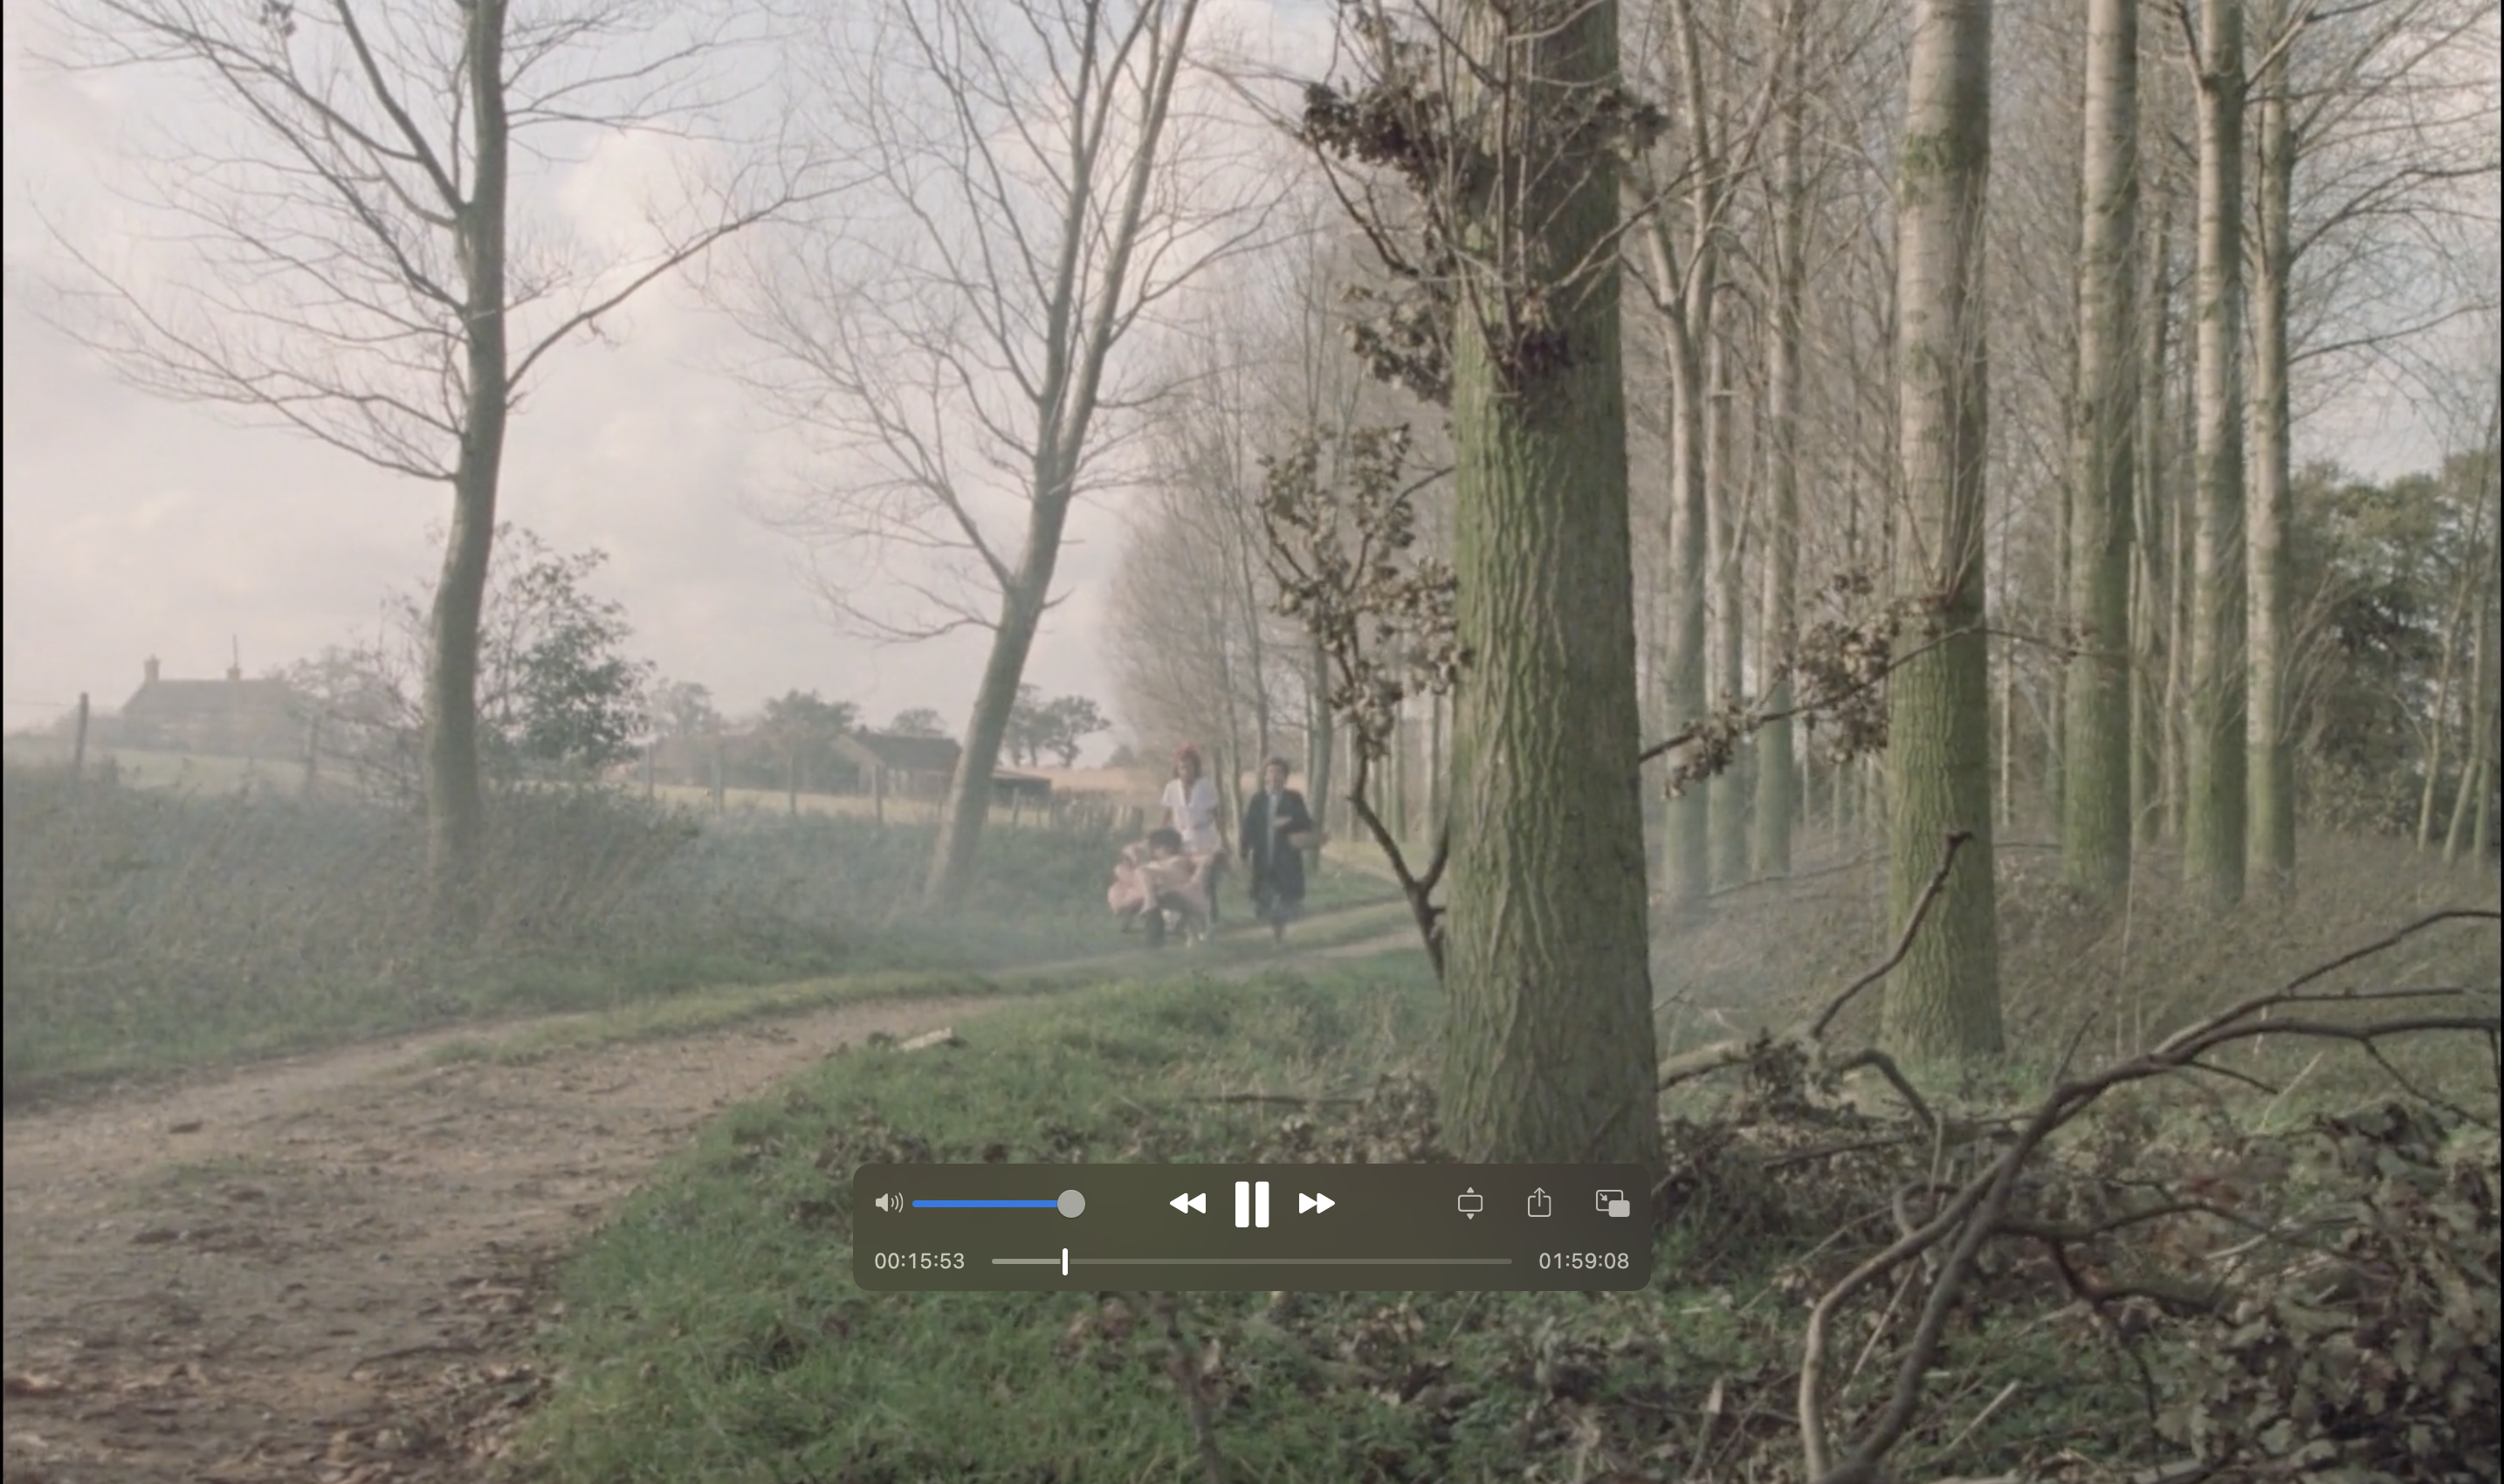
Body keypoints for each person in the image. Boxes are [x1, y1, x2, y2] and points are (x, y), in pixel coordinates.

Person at [1239, 756, 1319, 943]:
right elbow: (1248, 826)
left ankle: (1280, 934)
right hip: (1263, 855)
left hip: (1286, 858)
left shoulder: (1294, 798)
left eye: (1279, 773)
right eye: (1271, 772)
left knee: (1284, 897)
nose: (1274, 777)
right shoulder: (1258, 800)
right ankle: (1276, 931)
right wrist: (1244, 850)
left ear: (1285, 777)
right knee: (1266, 897)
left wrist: (1288, 821)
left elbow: (1306, 823)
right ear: (1265, 776)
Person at [1159, 744, 1227, 922]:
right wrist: (1162, 839)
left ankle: (1210, 912)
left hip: (1202, 836)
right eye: (1182, 767)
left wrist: (1223, 840)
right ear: (1177, 768)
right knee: (1182, 875)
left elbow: (1217, 814)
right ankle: (1184, 914)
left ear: (1195, 767)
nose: (1186, 771)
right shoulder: (1171, 788)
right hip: (1181, 836)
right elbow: (1167, 815)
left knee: (1205, 875)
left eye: (1189, 766)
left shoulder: (1205, 787)